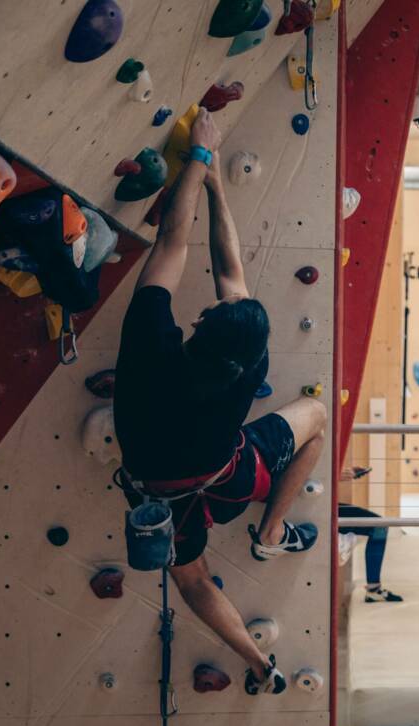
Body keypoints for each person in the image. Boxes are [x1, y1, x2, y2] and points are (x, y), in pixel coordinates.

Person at [113, 109, 327, 695]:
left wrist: (204, 163)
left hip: (188, 492)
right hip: (225, 482)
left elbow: (173, 239)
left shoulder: (154, 340)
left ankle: (262, 659)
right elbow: (230, 271)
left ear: (202, 322)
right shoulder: (245, 366)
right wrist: (211, 183)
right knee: (316, 420)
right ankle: (270, 534)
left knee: (194, 580)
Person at [337, 468, 404, 603]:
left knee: (379, 525)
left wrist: (340, 474)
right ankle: (373, 589)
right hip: (318, 506)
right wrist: (336, 475)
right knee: (378, 525)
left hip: (327, 504)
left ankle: (373, 589)